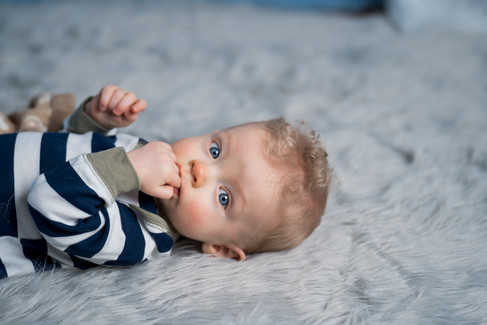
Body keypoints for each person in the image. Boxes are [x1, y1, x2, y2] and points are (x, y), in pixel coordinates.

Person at [0, 85, 332, 279]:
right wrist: (95, 123)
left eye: (224, 198)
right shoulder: (149, 155)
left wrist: (126, 169)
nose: (200, 170)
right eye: (215, 150)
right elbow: (67, 151)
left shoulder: (140, 237)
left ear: (219, 247)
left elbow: (49, 202)